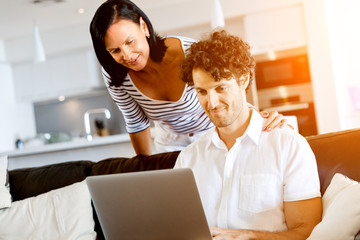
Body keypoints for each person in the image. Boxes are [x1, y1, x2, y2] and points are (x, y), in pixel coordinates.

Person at [174, 30, 322, 240]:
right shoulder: (188, 159)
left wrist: (244, 236)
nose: (212, 102)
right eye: (202, 92)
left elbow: (308, 233)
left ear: (243, 80)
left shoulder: (288, 145)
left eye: (221, 88)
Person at [89, 0, 288, 155]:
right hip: (170, 143)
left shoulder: (189, 52)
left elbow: (227, 88)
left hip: (212, 132)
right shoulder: (114, 73)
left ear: (144, 27)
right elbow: (136, 121)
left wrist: (257, 118)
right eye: (115, 50)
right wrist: (145, 167)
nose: (127, 55)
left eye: (130, 41)